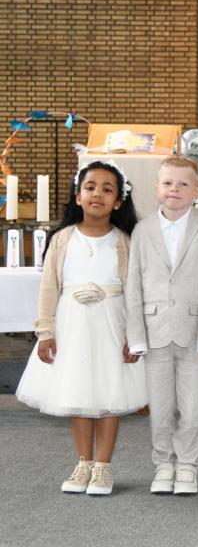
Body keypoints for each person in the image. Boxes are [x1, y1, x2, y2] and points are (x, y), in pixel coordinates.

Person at [16, 160, 146, 495]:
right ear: (78, 196)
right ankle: (83, 462)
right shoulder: (61, 240)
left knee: (108, 393)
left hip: (111, 323)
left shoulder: (124, 242)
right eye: (90, 187)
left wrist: (134, 335)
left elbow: (134, 292)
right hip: (73, 323)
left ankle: (103, 466)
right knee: (78, 392)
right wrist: (46, 331)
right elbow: (48, 288)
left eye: (107, 189)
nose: (97, 195)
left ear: (118, 201)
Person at [125, 155, 198, 495]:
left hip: (195, 332)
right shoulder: (142, 230)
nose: (174, 189)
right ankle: (163, 463)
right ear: (156, 188)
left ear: (196, 190)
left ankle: (188, 465)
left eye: (183, 184)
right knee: (160, 406)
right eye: (168, 183)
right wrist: (135, 335)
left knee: (194, 406)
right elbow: (133, 284)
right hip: (154, 332)